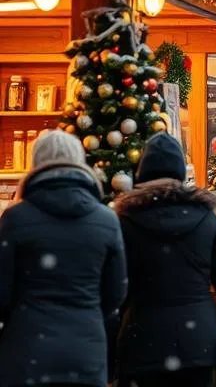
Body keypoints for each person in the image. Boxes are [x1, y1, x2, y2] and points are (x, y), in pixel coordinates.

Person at [115, 133, 216, 387]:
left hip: (142, 335)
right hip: (197, 339)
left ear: (143, 173)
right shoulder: (206, 219)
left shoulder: (126, 220)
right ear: (180, 172)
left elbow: (116, 284)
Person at [0, 129, 127, 387]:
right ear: (80, 161)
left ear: (35, 164)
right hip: (85, 350)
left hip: (27, 350)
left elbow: (2, 293)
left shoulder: (15, 219)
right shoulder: (106, 219)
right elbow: (115, 293)